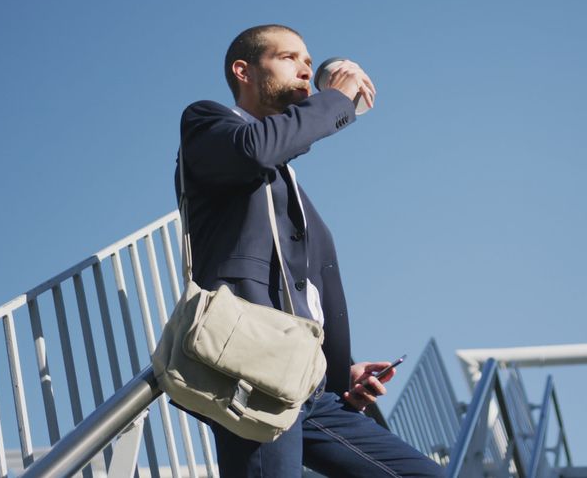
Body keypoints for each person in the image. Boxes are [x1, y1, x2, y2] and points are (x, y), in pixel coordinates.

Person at [176, 24, 443, 477]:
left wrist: (342, 374)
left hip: (311, 388)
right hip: (253, 370)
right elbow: (255, 150)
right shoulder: (209, 124)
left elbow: (306, 293)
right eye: (289, 58)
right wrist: (336, 101)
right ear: (243, 71)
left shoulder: (291, 189)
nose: (304, 68)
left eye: (308, 59)